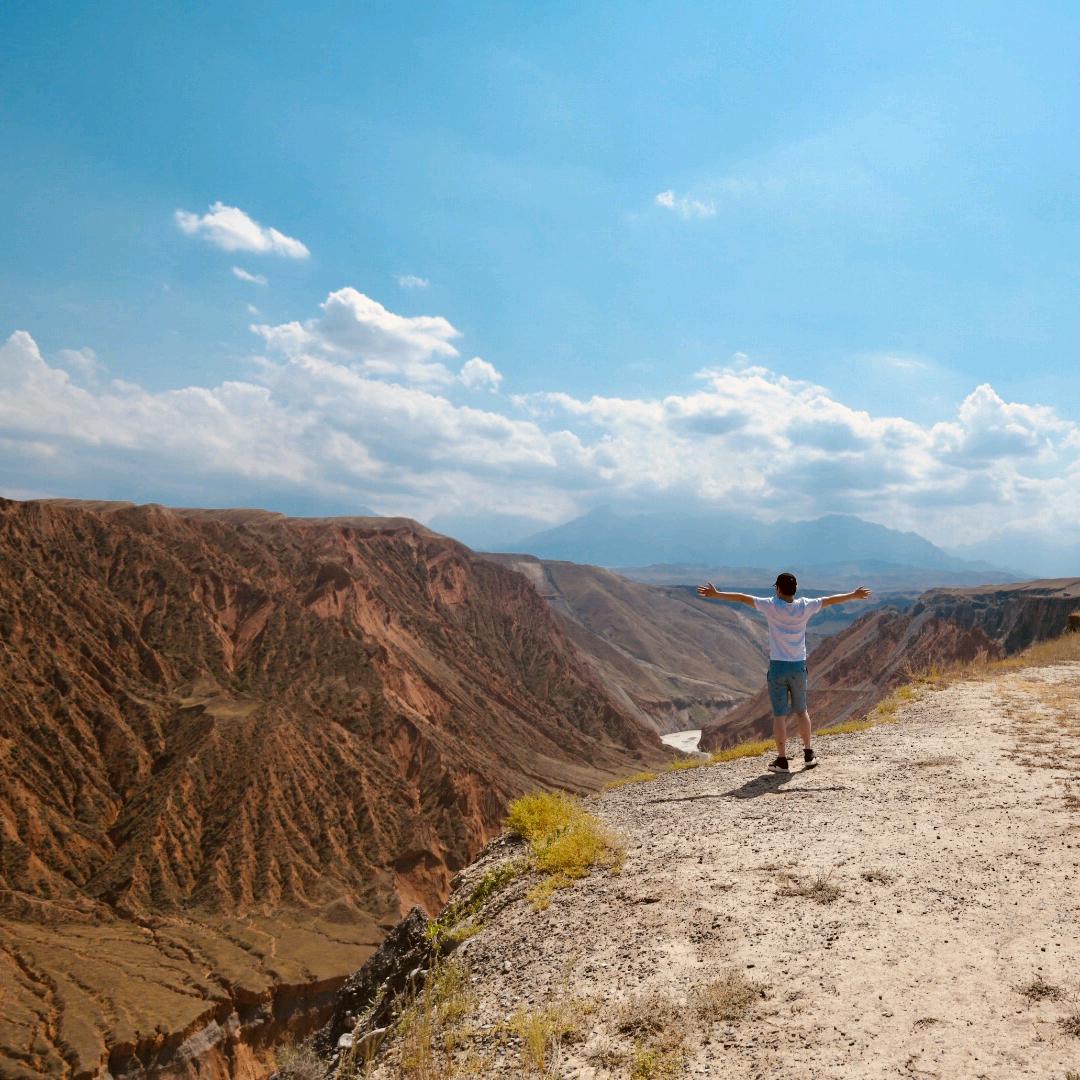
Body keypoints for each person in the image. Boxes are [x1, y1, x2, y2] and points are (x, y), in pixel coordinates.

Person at [697, 572, 871, 773]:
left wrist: (716, 594)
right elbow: (830, 600)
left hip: (778, 666)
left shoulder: (771, 605)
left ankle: (782, 760)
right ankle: (808, 754)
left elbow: (742, 598)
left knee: (779, 715)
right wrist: (854, 594)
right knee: (801, 711)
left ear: (778, 589)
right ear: (794, 589)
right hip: (798, 666)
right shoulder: (805, 605)